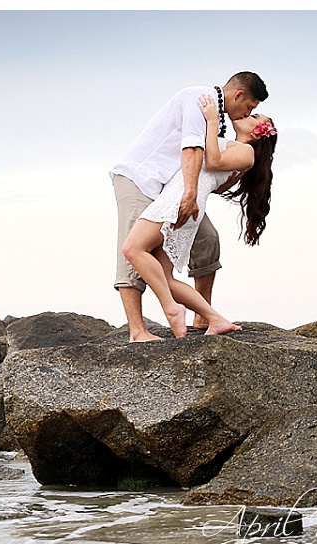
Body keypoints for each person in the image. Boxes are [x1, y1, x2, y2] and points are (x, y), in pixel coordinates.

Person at [111, 72, 269, 342]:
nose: (248, 114)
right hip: (145, 179)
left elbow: (215, 168)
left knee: (207, 239)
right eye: (251, 108)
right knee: (132, 251)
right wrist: (191, 193)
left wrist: (194, 192)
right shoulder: (201, 98)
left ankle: (205, 315)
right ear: (239, 96)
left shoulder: (226, 133)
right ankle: (138, 330)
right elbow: (192, 149)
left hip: (175, 189)